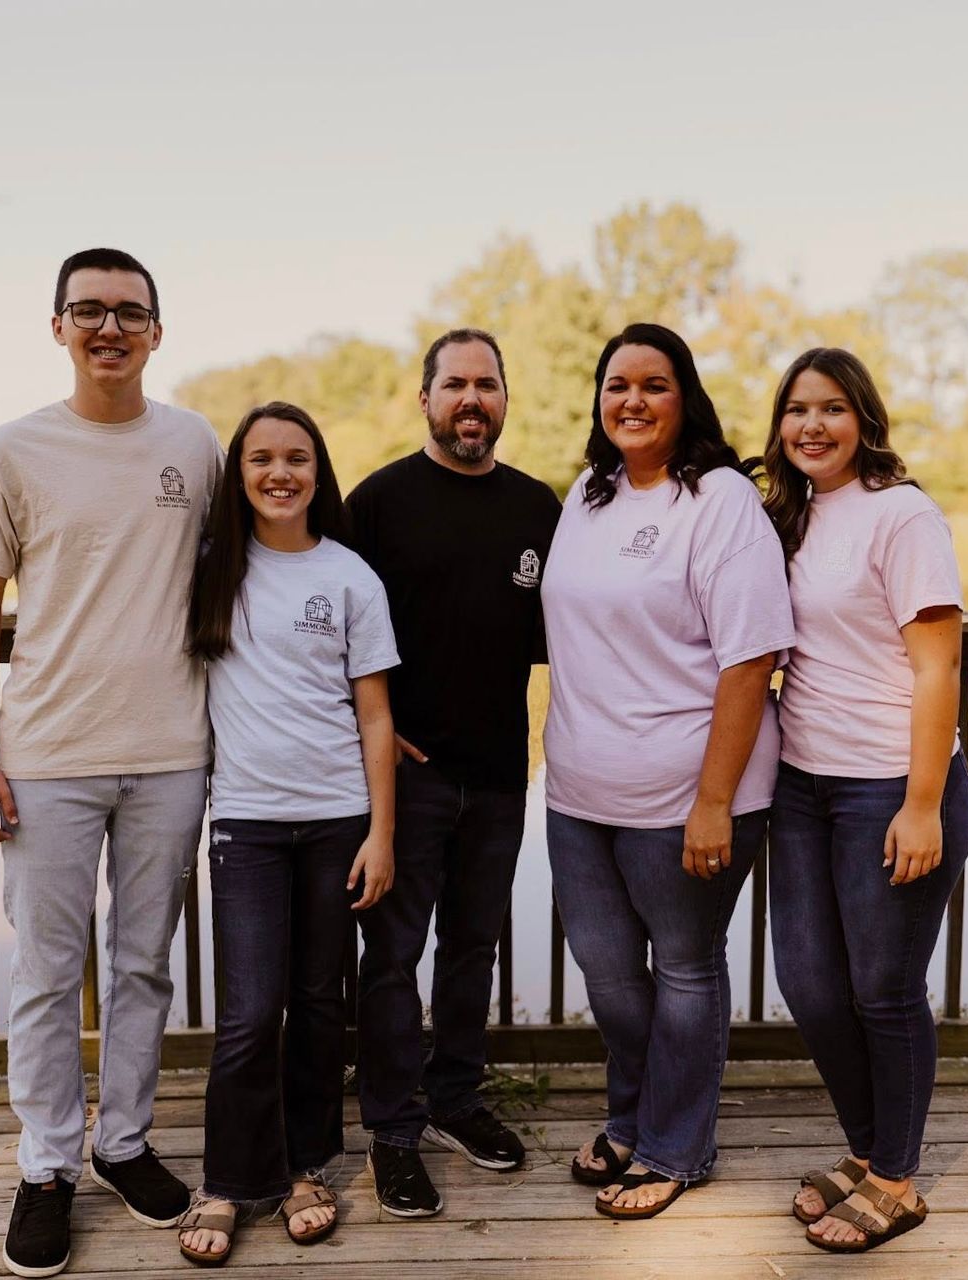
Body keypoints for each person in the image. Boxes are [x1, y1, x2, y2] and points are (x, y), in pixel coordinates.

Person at [0, 248, 224, 1279]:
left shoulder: (196, 443)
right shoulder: (14, 451)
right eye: (88, 310)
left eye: (129, 311)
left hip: (171, 753)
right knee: (49, 973)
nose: (110, 326)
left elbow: (243, 581)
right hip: (48, 756)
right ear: (57, 326)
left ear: (157, 328)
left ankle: (123, 1141)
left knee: (144, 961)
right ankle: (47, 1162)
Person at [541, 322, 794, 1220]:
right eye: (617, 385)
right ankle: (630, 1118)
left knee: (685, 969)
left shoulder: (720, 500)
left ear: (684, 397)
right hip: (577, 790)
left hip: (687, 792)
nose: (633, 401)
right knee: (608, 973)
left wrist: (714, 801)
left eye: (654, 384)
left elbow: (748, 659)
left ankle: (677, 1146)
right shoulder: (590, 492)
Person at [760, 347, 968, 1254]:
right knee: (811, 985)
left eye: (832, 408)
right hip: (803, 786)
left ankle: (897, 1178)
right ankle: (867, 1152)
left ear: (865, 420)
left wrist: (922, 803)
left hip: (890, 786)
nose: (812, 424)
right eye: (797, 409)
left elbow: (937, 666)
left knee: (884, 990)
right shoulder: (790, 516)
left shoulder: (904, 515)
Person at [176, 401, 399, 1266]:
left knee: (316, 1004)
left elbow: (375, 717)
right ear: (239, 473)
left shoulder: (350, 576)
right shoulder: (209, 569)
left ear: (318, 471)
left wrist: (381, 831)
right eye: (262, 458)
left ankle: (307, 1167)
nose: (280, 473)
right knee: (246, 1014)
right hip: (247, 825)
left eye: (297, 458)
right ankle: (231, 1179)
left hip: (338, 820)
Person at [345, 328, 561, 1216]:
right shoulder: (378, 504)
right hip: (410, 779)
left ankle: (456, 1099)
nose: (472, 401)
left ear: (505, 398)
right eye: (455, 385)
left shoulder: (538, 507)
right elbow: (322, 624)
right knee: (392, 956)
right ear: (424, 397)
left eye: (488, 385)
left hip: (501, 774)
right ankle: (392, 1130)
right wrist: (371, 734)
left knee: (474, 947)